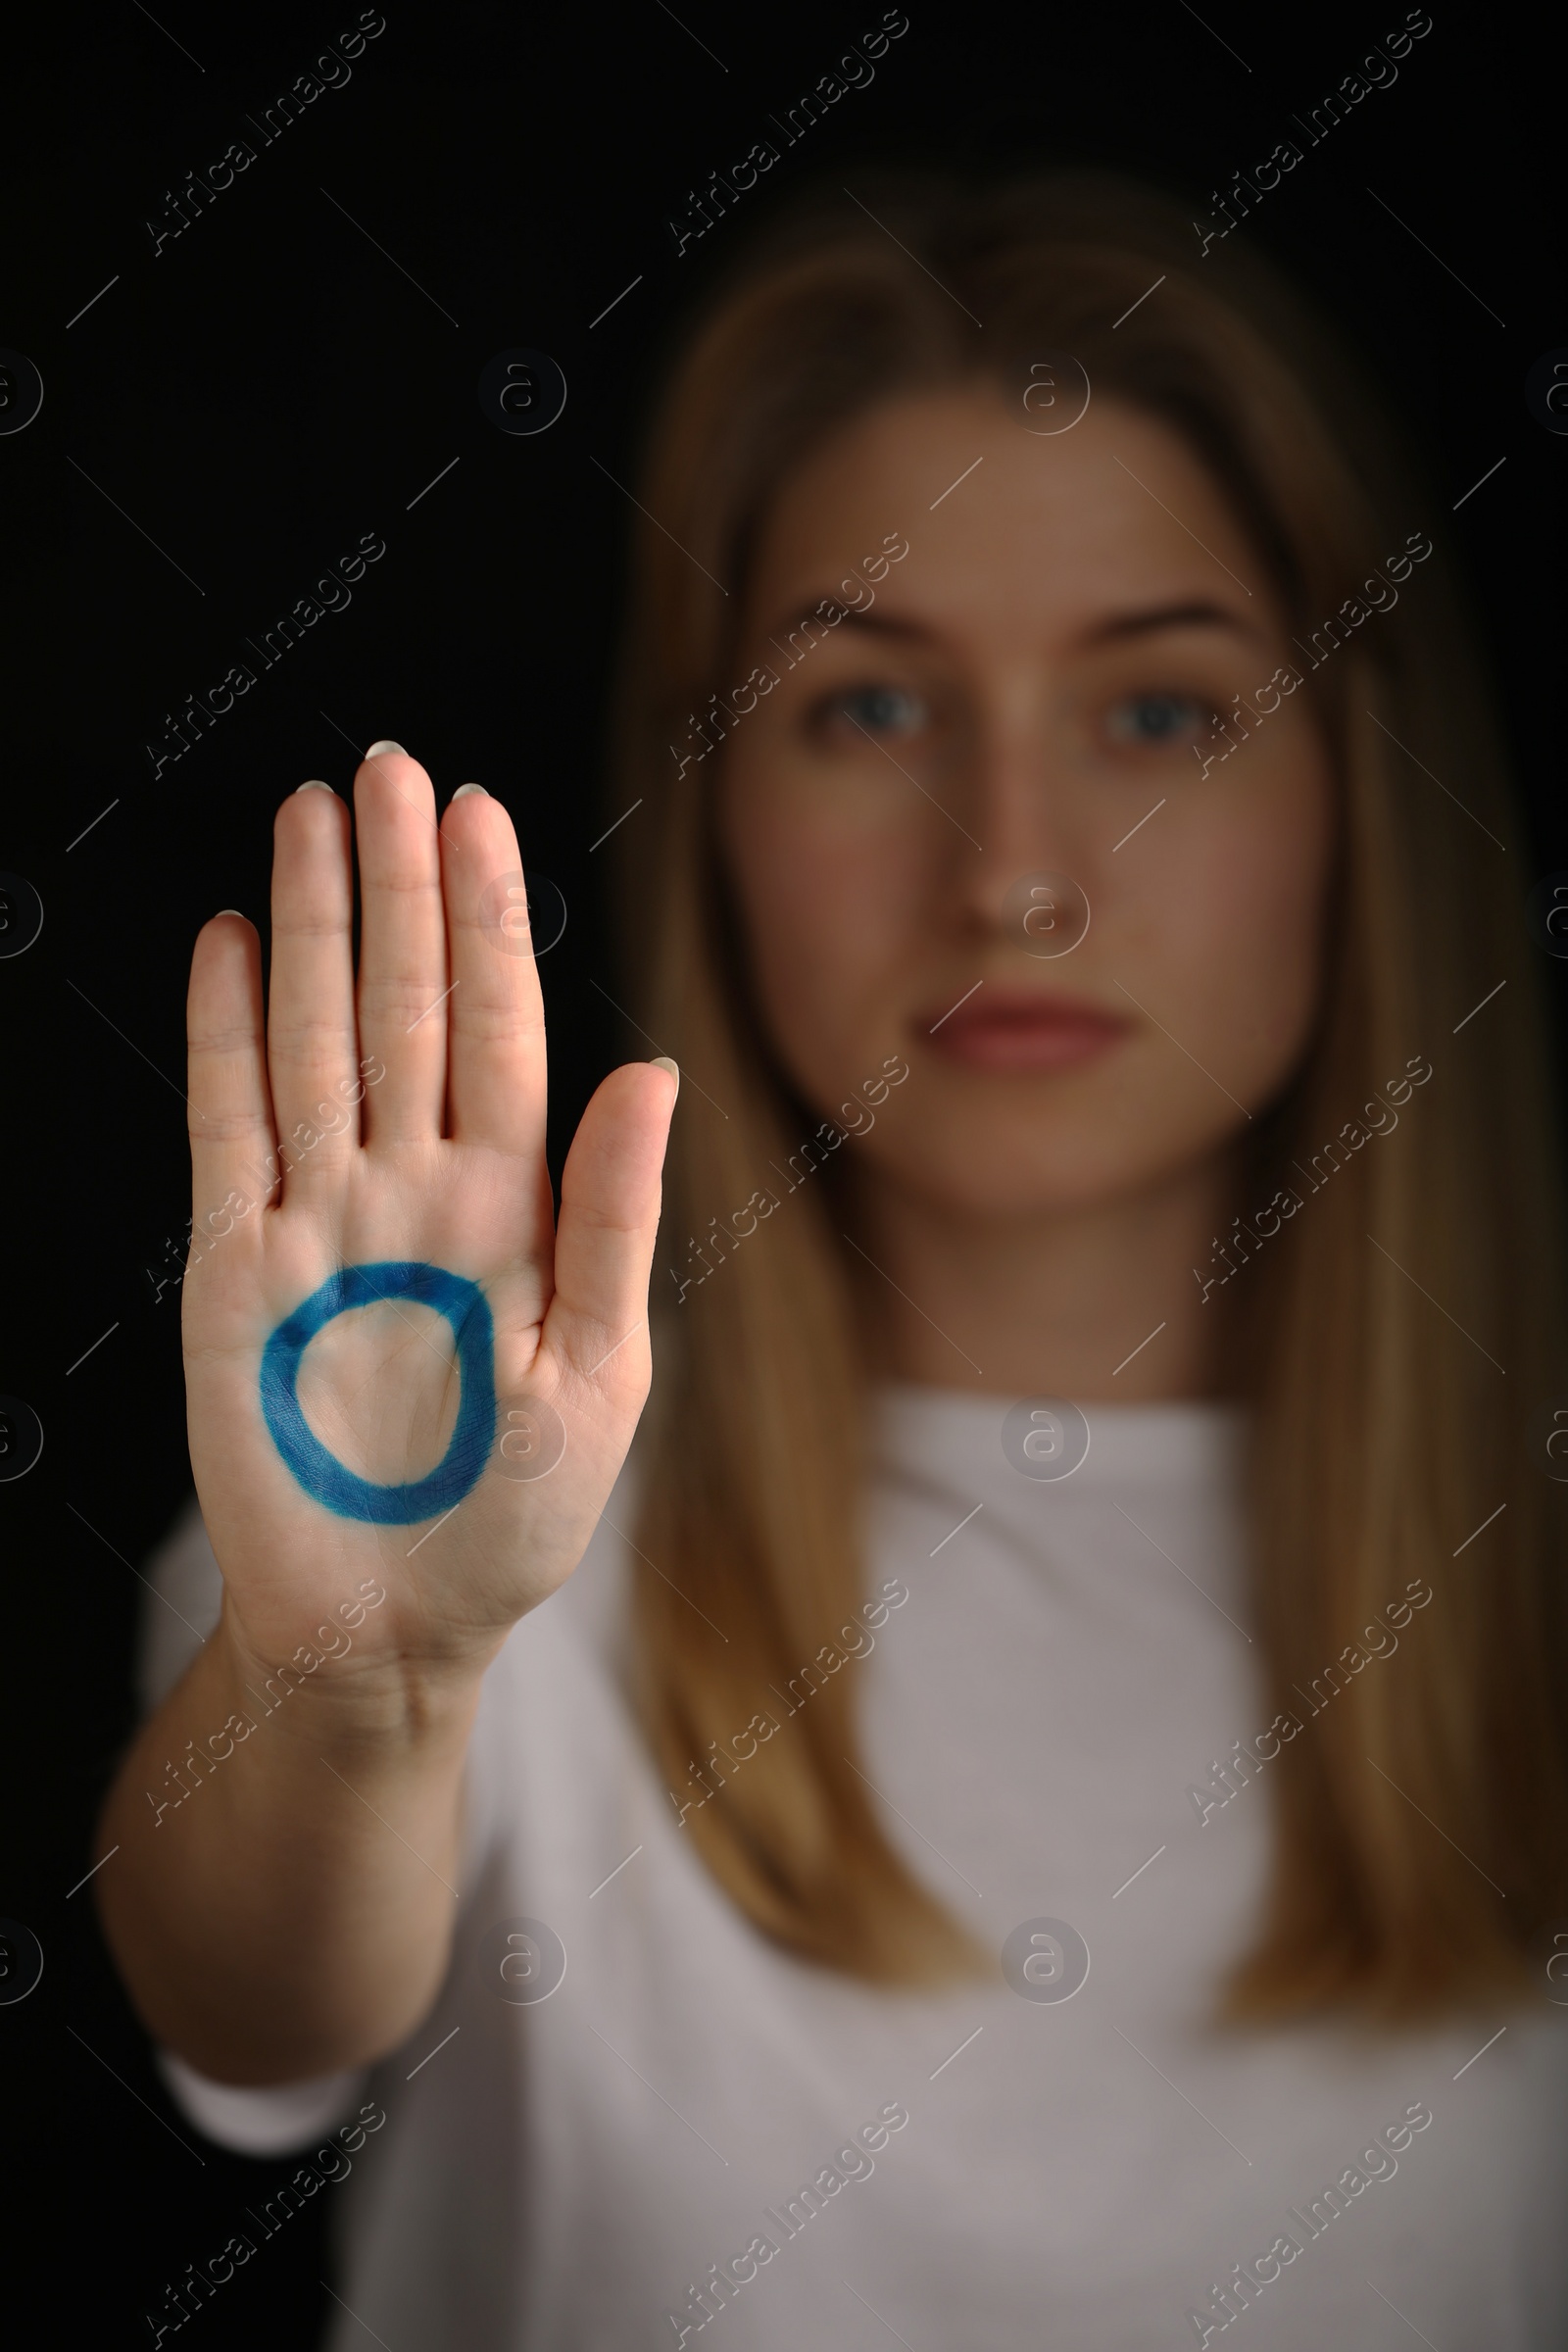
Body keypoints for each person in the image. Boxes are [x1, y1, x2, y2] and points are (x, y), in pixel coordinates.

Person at [99, 172, 1568, 2349]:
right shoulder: (449, 1493)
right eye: (865, 708)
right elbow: (245, 2006)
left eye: (1159, 712)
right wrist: (354, 1696)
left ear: (1364, 793)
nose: (1016, 878)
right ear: (704, 803)